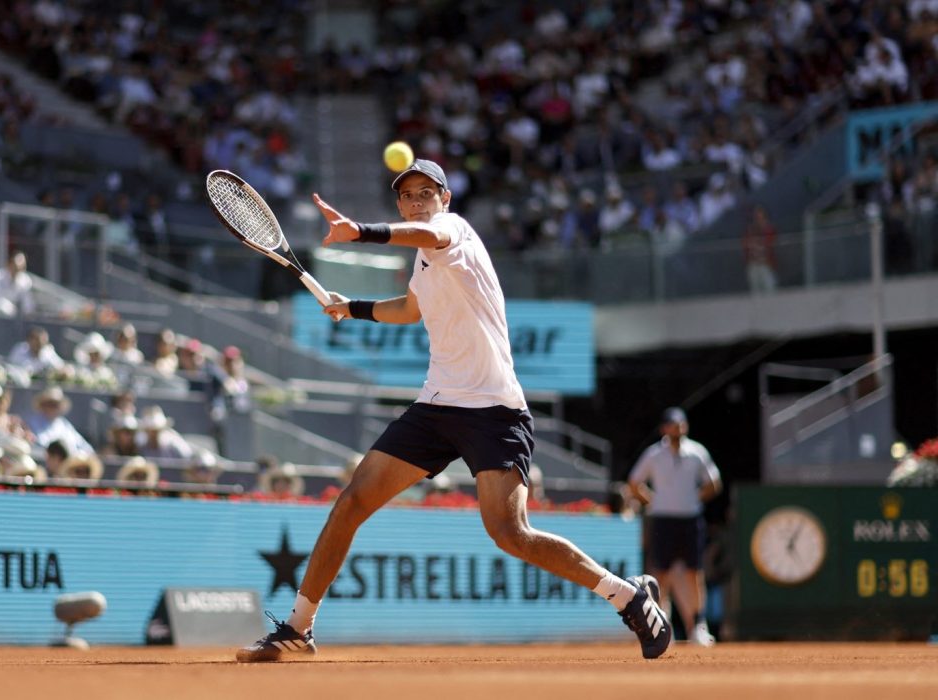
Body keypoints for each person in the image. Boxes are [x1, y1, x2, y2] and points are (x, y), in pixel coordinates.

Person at [237, 159, 671, 663]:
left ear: (444, 198)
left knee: (511, 534)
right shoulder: (424, 260)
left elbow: (426, 233)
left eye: (426, 192)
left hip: (494, 410)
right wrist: (351, 306)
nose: (416, 201)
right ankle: (298, 627)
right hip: (437, 406)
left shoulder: (452, 230)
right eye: (407, 195)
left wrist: (362, 232)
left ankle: (627, 596)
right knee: (352, 501)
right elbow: (410, 309)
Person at [627, 407, 722, 647]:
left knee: (694, 573)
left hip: (690, 520)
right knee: (660, 574)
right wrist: (653, 501)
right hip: (663, 520)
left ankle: (698, 627)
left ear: (685, 427)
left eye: (680, 424)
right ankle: (662, 627)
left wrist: (693, 499)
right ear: (664, 428)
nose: (677, 429)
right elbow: (634, 483)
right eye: (672, 424)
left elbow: (714, 483)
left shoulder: (697, 452)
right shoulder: (653, 454)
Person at [25, 386, 94, 455]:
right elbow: (39, 445)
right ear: (43, 405)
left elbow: (82, 444)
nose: (53, 408)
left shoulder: (63, 423)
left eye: (56, 405)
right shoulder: (33, 423)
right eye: (50, 404)